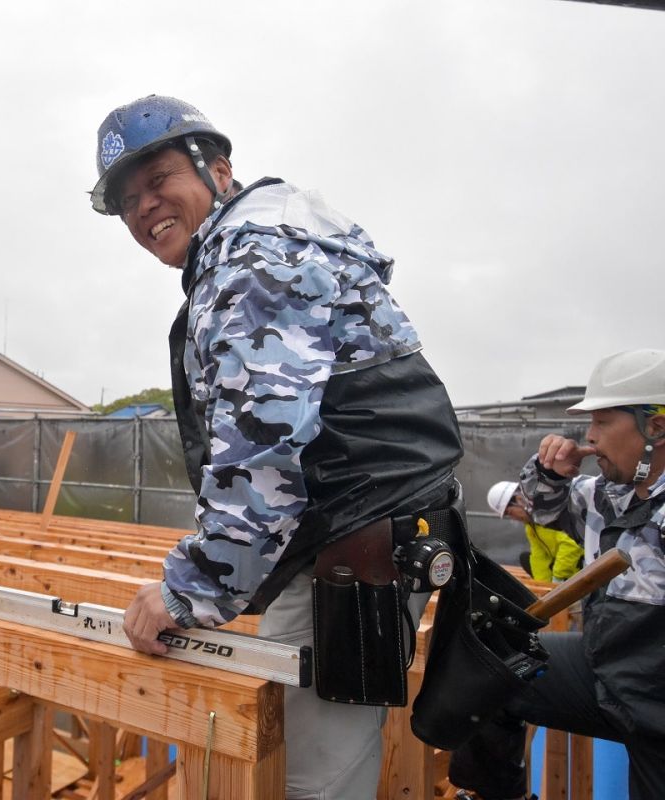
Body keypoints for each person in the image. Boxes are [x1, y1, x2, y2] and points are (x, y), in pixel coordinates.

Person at [91, 95, 464, 798]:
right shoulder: (252, 243)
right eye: (128, 200)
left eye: (159, 180)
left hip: (358, 543)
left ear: (219, 170)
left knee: (302, 780)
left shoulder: (256, 253)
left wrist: (190, 588)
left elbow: (262, 448)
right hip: (348, 529)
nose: (144, 208)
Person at [450, 349, 665, 800]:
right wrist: (550, 471)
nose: (589, 437)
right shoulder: (606, 496)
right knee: (490, 659)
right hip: (606, 668)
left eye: (603, 422)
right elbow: (544, 511)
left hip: (657, 698)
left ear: (656, 427)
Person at [486, 480, 583, 582]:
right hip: (567, 568)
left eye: (510, 513)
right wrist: (543, 585)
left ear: (518, 500)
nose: (513, 518)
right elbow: (539, 557)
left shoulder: (549, 512)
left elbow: (571, 544)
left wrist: (559, 577)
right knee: (526, 558)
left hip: (583, 567)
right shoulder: (531, 527)